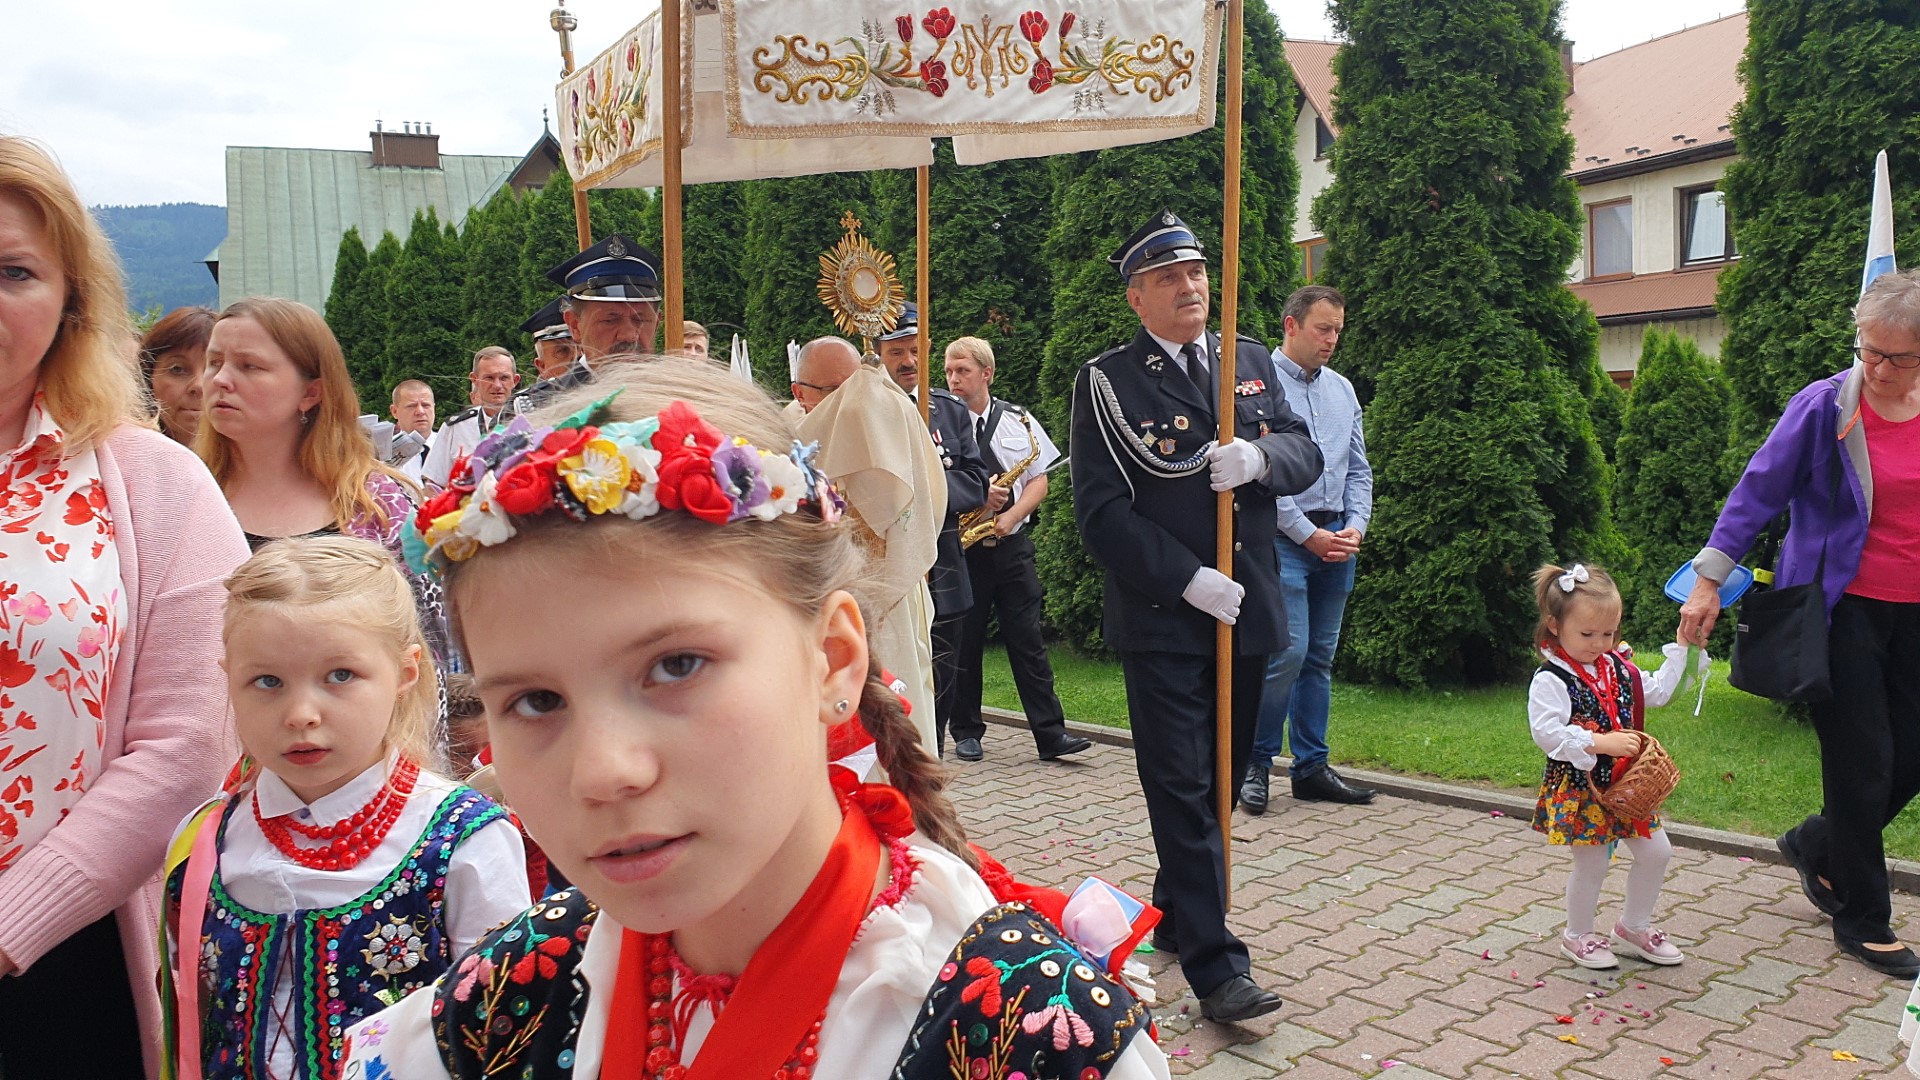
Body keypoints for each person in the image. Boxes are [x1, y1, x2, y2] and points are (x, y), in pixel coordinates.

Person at [343, 358, 1169, 1079]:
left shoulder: (1031, 1034)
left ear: (833, 660)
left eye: (676, 666)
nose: (603, 771)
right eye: (534, 701)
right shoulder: (506, 1001)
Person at [0, 135, 249, 1080]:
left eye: (15, 272)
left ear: (72, 300)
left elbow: (190, 741)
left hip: (56, 959)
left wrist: (13, 922)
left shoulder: (151, 481)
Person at [1069, 210, 1322, 1023]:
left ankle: (1178, 916)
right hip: (1166, 617)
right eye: (1168, 277)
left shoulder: (1247, 359)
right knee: (1181, 785)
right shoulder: (1108, 381)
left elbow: (1304, 450)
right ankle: (1219, 972)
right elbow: (1102, 513)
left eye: (1197, 272)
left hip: (1245, 611)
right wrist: (1187, 580)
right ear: (1136, 297)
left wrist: (1260, 457)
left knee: (1217, 782)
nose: (1190, 287)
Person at [163, 536, 528, 1080]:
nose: (301, 713)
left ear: (406, 671)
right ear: (229, 679)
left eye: (340, 676)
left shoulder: (462, 838)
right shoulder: (205, 841)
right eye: (267, 681)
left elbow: (504, 1031)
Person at [1679, 269, 1920, 977]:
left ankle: (1818, 844)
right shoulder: (1825, 407)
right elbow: (1758, 490)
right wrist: (1708, 581)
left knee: (1911, 754)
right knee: (1862, 763)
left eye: (1898, 356)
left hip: (1915, 611)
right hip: (1840, 609)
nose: (1878, 368)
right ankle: (1862, 918)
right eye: (1868, 349)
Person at [195, 298, 451, 679]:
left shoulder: (378, 506)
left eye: (250, 366)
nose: (220, 380)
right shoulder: (181, 498)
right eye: (214, 362)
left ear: (310, 393)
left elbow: (426, 654)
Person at [1241, 286, 1377, 813]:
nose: (1332, 339)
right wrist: (1306, 535)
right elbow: (1260, 476)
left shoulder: (1343, 390)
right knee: (1287, 653)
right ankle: (1254, 762)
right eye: (1324, 328)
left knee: (1319, 657)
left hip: (1338, 539)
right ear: (1291, 325)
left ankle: (1311, 768)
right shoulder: (1259, 389)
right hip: (1285, 542)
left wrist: (1355, 527)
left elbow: (1359, 469)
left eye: (1338, 330)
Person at [1530, 562, 1702, 970]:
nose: (1599, 643)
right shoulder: (1552, 678)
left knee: (1657, 853)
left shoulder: (1618, 667)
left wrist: (1685, 646)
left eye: (1608, 633)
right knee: (1592, 862)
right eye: (1587, 634)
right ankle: (1577, 935)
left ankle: (1632, 927)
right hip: (1584, 788)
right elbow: (1546, 732)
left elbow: (1659, 691)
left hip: (1627, 787)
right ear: (1555, 625)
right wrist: (1599, 742)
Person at [793, 337, 945, 752]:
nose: (853, 402)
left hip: (887, 598)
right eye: (835, 392)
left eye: (858, 386)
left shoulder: (889, 422)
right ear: (800, 393)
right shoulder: (784, 437)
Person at [943, 336, 1091, 762]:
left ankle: (1051, 734)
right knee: (965, 642)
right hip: (963, 549)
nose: (953, 379)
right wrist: (977, 497)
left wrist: (1011, 516)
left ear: (986, 373)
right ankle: (966, 731)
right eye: (949, 371)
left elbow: (1039, 479)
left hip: (1011, 546)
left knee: (1028, 641)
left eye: (963, 370)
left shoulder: (1018, 420)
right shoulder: (938, 422)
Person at [877, 305, 997, 759]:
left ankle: (934, 760)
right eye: (896, 352)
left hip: (942, 564)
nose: (908, 361)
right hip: (888, 568)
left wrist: (922, 488)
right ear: (877, 354)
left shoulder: (947, 409)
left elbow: (975, 480)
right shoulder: (864, 410)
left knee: (942, 677)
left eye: (915, 350)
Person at [422, 346, 521, 491]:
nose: (497, 385)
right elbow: (433, 485)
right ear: (474, 380)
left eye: (504, 378)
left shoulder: (531, 422)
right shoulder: (455, 427)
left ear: (515, 380)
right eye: (489, 378)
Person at [553, 233, 663, 361]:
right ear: (575, 326)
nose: (628, 335)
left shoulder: (676, 374)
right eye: (610, 320)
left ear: (656, 324)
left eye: (640, 320)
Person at [139, 304, 216, 444]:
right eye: (178, 369)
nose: (198, 386)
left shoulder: (257, 455)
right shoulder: (116, 454)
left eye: (213, 368)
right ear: (148, 377)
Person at [513, 297, 592, 416]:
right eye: (563, 351)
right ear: (541, 366)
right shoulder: (526, 408)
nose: (577, 357)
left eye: (581, 348)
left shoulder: (610, 388)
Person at [388, 378, 436, 484]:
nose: (420, 411)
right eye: (411, 406)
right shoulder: (384, 456)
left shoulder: (451, 448)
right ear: (394, 411)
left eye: (426, 405)